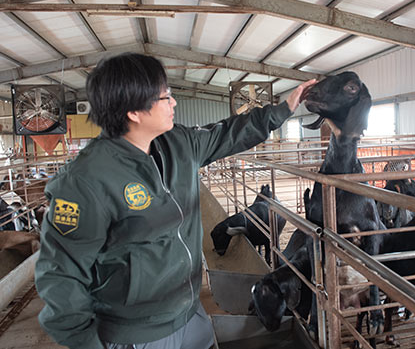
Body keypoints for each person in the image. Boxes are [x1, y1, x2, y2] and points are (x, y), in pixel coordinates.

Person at [34, 52, 316, 349]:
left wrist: (283, 109)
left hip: (190, 313)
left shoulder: (179, 143)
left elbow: (229, 133)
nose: (174, 103)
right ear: (134, 111)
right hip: (137, 333)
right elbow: (60, 275)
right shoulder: (86, 181)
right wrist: (87, 343)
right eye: (165, 97)